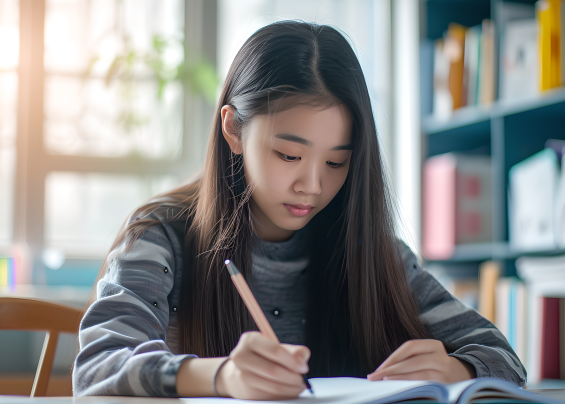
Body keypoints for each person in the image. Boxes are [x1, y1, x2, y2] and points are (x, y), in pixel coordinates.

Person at [73, 20, 526, 400]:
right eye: (289, 155)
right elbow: (95, 370)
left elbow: (504, 359)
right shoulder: (162, 237)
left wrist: (458, 371)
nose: (313, 186)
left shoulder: (368, 248)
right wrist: (220, 376)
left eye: (336, 162)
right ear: (233, 129)